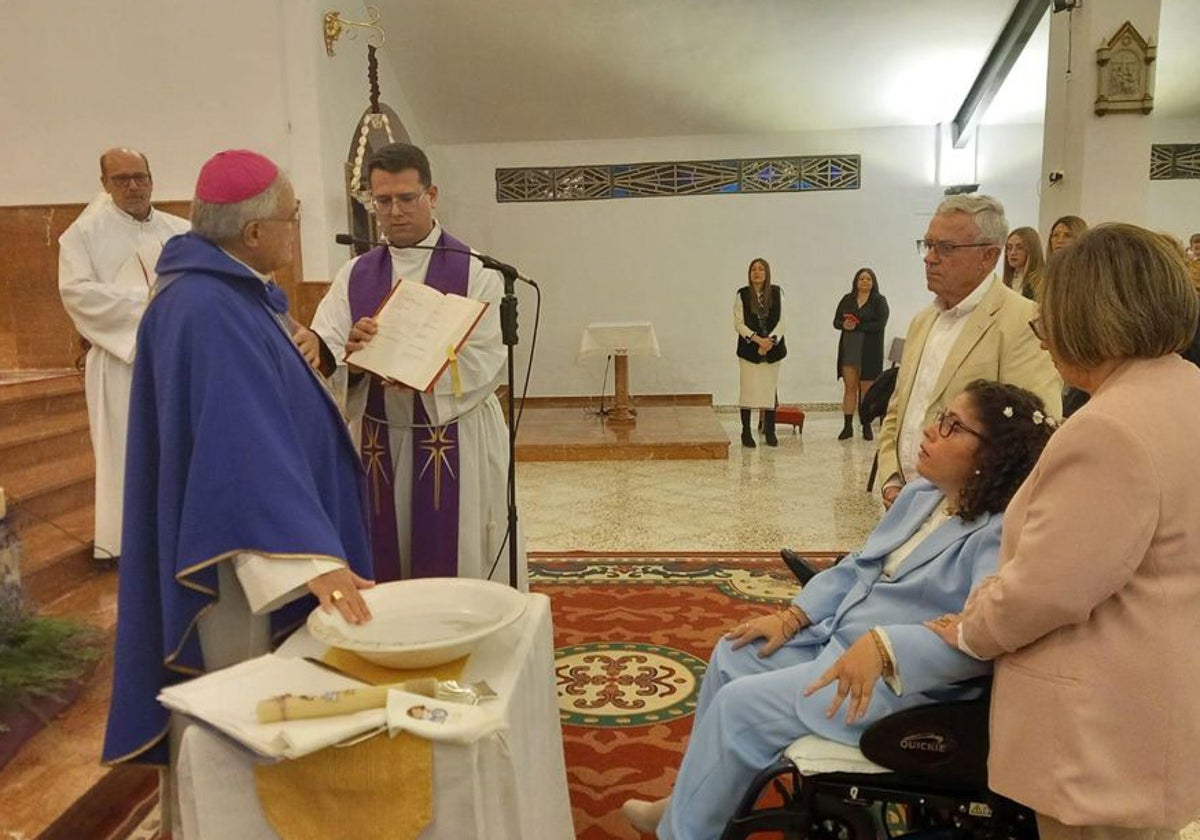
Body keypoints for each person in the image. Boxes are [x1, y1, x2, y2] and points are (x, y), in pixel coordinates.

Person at [621, 380, 1056, 840]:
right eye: (939, 416)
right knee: (734, 654)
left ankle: (683, 831)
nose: (930, 430)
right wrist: (792, 617)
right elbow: (858, 567)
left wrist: (889, 649)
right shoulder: (920, 497)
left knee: (739, 708)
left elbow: (980, 639)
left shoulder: (995, 535)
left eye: (951, 426)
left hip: (892, 684)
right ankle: (698, 797)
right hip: (837, 640)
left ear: (991, 457)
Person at [102, 150, 375, 768]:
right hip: (238, 554)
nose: (296, 225)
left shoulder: (232, 294)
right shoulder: (207, 308)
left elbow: (272, 407)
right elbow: (238, 445)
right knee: (241, 707)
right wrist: (307, 555)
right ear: (253, 232)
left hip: (251, 536)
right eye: (291, 215)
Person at [927, 225, 1200, 840]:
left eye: (1046, 323)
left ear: (1089, 319)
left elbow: (1046, 589)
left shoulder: (1110, 430)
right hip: (1161, 691)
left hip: (1099, 729)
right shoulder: (1185, 391)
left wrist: (970, 629)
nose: (1044, 341)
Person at [310, 142, 521, 586]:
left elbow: (488, 356)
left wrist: (429, 376)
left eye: (408, 198)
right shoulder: (355, 275)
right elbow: (325, 350)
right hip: (377, 436)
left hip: (452, 435)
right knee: (384, 547)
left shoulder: (477, 270)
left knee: (457, 549)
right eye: (382, 201)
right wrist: (353, 356)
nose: (395, 211)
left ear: (432, 195)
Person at [874, 194, 1061, 509]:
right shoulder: (923, 321)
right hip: (903, 503)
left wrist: (962, 502)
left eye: (945, 248)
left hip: (967, 513)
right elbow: (899, 410)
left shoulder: (1022, 322)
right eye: (928, 245)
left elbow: (1032, 436)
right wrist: (892, 478)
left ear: (988, 256)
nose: (929, 258)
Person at [57, 148, 190, 563]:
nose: (133, 186)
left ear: (152, 178)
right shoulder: (83, 235)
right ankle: (127, 546)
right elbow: (77, 295)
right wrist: (154, 304)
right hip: (121, 363)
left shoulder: (182, 231)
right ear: (104, 185)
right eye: (121, 179)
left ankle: (182, 537)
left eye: (140, 177)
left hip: (176, 360)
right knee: (127, 453)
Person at [734, 257, 786, 448]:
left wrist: (770, 341)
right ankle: (746, 431)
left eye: (761, 269)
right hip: (749, 350)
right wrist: (757, 340)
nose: (757, 272)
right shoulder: (742, 294)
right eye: (753, 269)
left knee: (769, 389)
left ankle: (770, 430)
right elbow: (738, 323)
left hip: (772, 350)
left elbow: (783, 321)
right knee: (747, 390)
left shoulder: (777, 292)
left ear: (767, 273)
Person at [833, 267, 889, 440]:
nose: (864, 282)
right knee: (850, 388)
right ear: (856, 282)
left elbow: (879, 324)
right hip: (849, 349)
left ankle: (866, 425)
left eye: (868, 279)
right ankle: (847, 426)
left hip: (869, 351)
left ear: (873, 283)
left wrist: (857, 325)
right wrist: (844, 325)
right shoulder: (847, 299)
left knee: (867, 391)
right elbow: (836, 321)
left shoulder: (879, 301)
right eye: (861, 279)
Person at [1046, 215, 1090, 416]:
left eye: (1067, 235)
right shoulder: (1050, 275)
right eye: (1055, 235)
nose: (1059, 240)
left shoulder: (1087, 276)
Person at [1001, 226, 1045, 300]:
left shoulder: (1042, 282)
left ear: (1032, 250)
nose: (1012, 252)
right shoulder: (1005, 282)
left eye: (1019, 247)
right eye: (1009, 247)